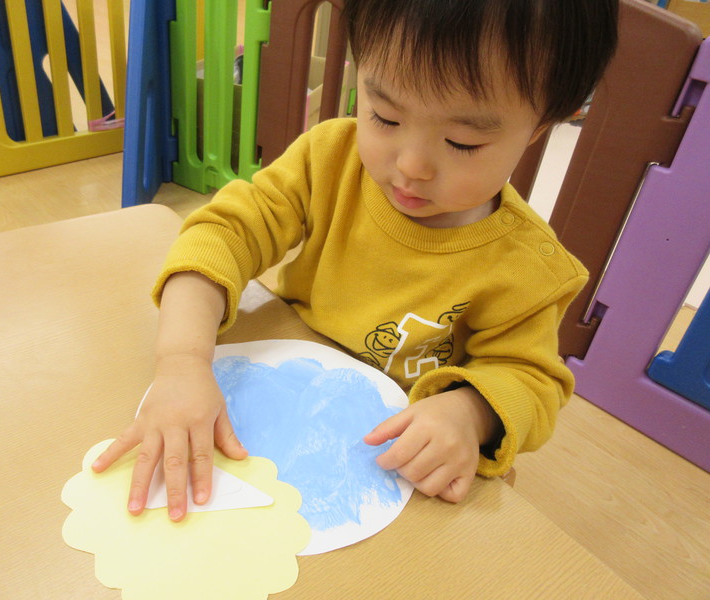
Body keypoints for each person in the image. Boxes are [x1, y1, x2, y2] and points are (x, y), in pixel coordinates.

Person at [93, 0, 619, 522]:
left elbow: (531, 380)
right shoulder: (328, 161)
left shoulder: (529, 269)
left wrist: (470, 412)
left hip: (402, 471)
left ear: (540, 126)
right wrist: (182, 361)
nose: (411, 165)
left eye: (462, 142)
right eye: (385, 116)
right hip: (289, 406)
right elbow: (224, 234)